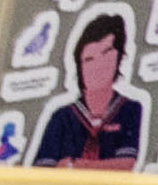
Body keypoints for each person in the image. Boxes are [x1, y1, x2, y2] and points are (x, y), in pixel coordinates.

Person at [28, 15, 144, 170]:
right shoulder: (62, 117)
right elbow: (43, 169)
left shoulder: (129, 109)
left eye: (106, 53)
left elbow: (125, 164)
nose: (98, 66)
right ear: (79, 66)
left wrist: (74, 165)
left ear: (120, 56)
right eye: (89, 59)